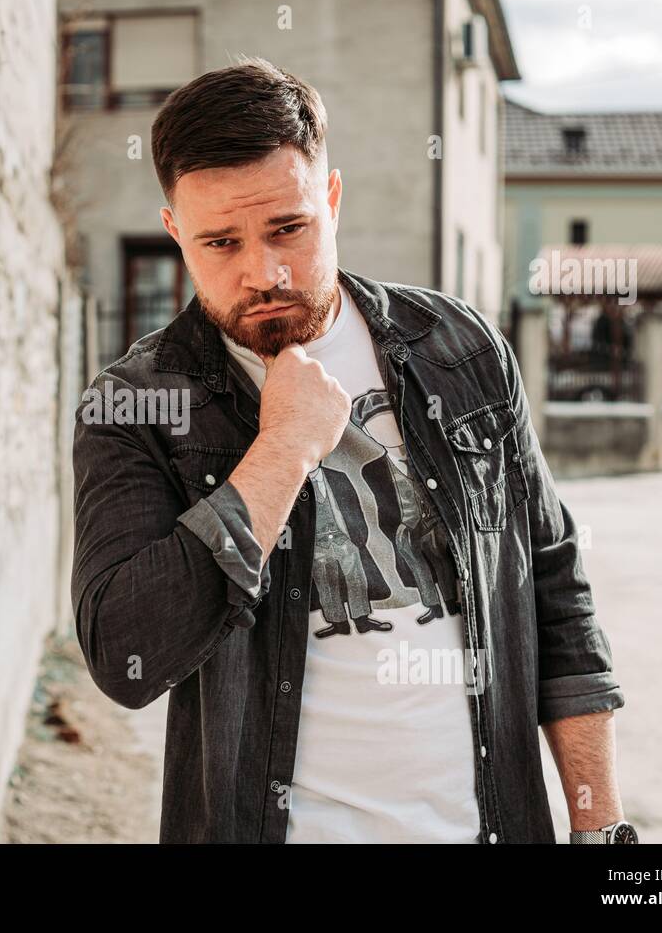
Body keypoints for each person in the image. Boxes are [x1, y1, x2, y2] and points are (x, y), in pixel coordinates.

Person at [70, 57, 632, 844]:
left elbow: (553, 588)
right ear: (175, 234)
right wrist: (281, 449)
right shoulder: (134, 402)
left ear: (330, 200)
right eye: (220, 242)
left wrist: (597, 825)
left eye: (287, 229)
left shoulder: (459, 348)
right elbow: (125, 652)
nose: (261, 272)